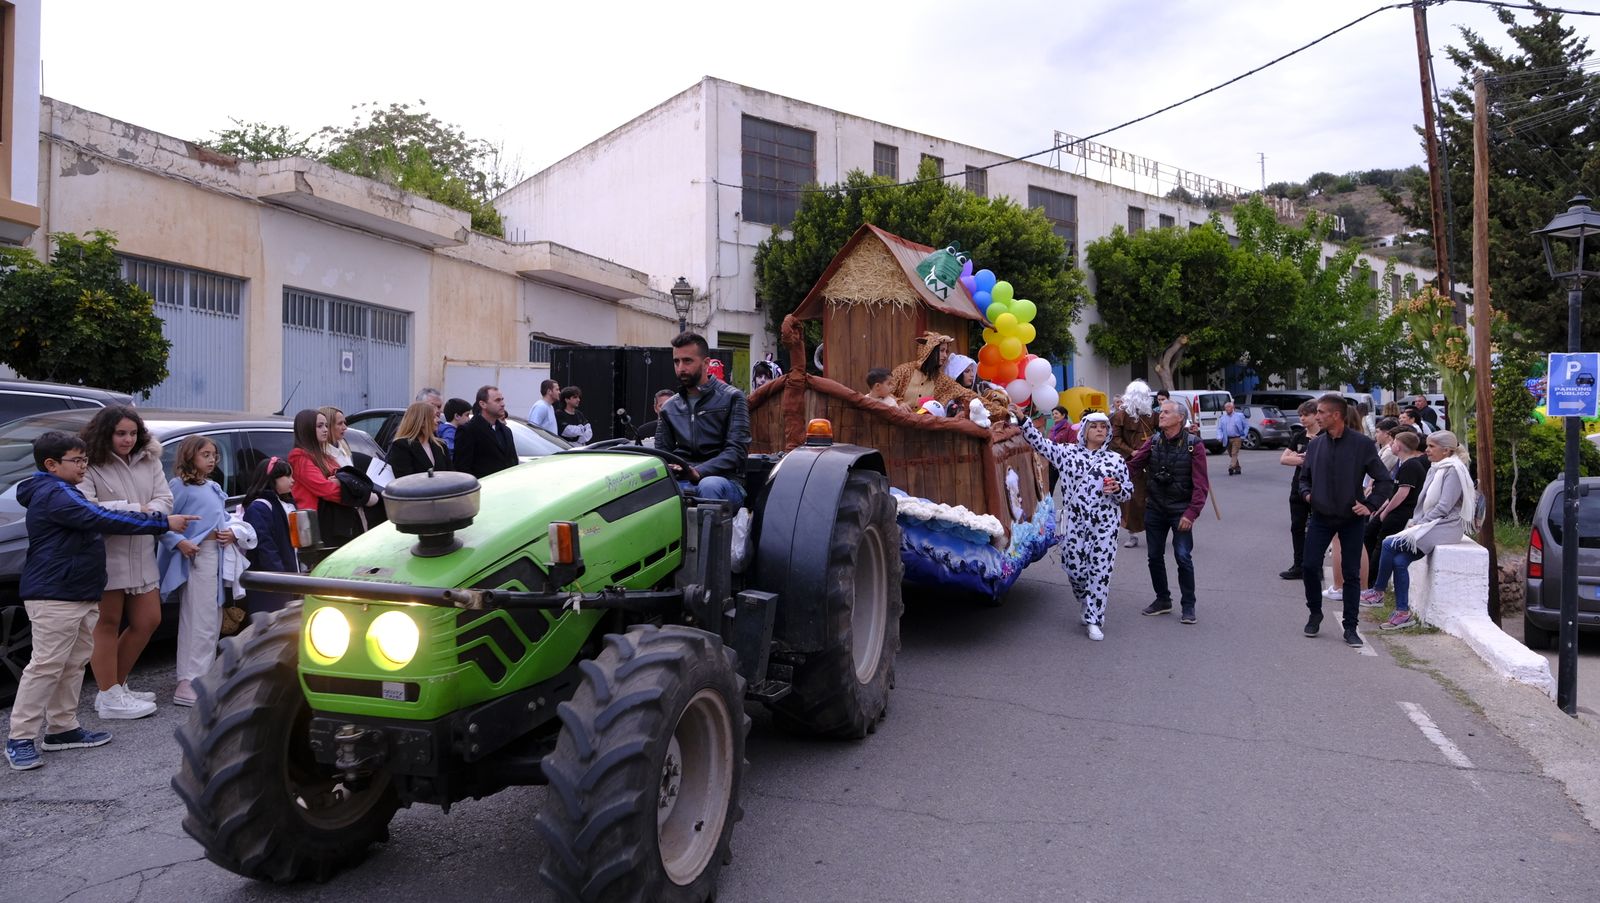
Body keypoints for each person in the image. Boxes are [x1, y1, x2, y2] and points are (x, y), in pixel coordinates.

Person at [6, 432, 195, 770]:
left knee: (73, 662)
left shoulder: (63, 489)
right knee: (46, 665)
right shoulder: (55, 494)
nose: (84, 466)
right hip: (55, 594)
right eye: (76, 460)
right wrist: (161, 522)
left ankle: (62, 728)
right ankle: (19, 738)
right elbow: (101, 517)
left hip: (77, 591)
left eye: (84, 459)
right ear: (51, 464)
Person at [78, 406, 171, 719]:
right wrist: (138, 509)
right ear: (106, 432)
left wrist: (140, 512)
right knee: (106, 623)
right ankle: (109, 695)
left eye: (132, 433)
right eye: (120, 433)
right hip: (106, 554)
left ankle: (114, 687)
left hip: (142, 552)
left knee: (149, 620)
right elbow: (89, 508)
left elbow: (165, 500)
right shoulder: (89, 462)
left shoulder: (149, 458)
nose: (128, 439)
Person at [1018, 410, 1131, 640]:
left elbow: (1128, 491)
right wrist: (1022, 420)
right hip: (1074, 522)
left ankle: (1094, 619)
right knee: (1074, 568)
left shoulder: (1116, 460)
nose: (1100, 430)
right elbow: (1039, 444)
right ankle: (1084, 598)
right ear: (1085, 431)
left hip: (1105, 524)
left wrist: (1118, 488)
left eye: (1104, 427)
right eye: (1095, 426)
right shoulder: (1067, 453)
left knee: (1100, 571)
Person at [1297, 393, 1393, 647]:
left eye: (1321, 412)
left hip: (1351, 519)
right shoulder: (1316, 444)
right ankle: (1315, 613)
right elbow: (1304, 478)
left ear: (1336, 415)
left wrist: (1370, 505)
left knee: (1351, 574)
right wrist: (1307, 495)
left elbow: (1384, 480)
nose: (1316, 416)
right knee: (1309, 566)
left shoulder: (1362, 444)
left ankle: (1350, 626)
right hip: (1320, 517)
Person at [1368, 431, 1474, 630]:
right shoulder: (1438, 467)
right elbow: (1427, 503)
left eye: (1432, 447)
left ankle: (1377, 592)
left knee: (1388, 543)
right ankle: (1403, 613)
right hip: (1433, 524)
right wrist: (1418, 522)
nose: (1426, 450)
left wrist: (1420, 524)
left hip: (1446, 526)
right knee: (1400, 561)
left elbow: (1444, 507)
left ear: (1446, 451)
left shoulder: (1453, 470)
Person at [158, 436, 235, 707]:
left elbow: (224, 519)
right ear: (190, 456)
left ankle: (202, 676)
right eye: (205, 454)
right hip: (196, 557)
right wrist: (179, 542)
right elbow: (162, 523)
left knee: (211, 618)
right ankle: (188, 680)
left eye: (214, 454)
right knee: (197, 619)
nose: (212, 459)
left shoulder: (212, 486)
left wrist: (232, 533)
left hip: (216, 556)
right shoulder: (179, 486)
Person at [1128, 399, 1210, 623]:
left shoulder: (1194, 445)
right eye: (1160, 412)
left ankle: (1188, 606)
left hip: (1181, 510)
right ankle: (1163, 600)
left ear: (1180, 418)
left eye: (1166, 412)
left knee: (1183, 557)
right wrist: (1111, 474)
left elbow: (1201, 485)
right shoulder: (1154, 441)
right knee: (1154, 557)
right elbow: (1134, 466)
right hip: (1155, 508)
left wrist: (1191, 514)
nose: (1161, 415)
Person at [656, 332, 750, 505]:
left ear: (706, 363)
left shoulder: (732, 398)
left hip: (726, 480)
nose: (681, 368)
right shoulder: (669, 408)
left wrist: (698, 472)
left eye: (687, 361)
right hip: (682, 478)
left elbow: (736, 452)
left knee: (709, 485)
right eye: (676, 361)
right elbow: (661, 455)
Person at [288, 408, 376, 553]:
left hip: (336, 520)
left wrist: (340, 482)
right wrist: (358, 497)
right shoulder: (299, 456)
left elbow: (345, 476)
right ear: (306, 429)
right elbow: (326, 489)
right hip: (316, 524)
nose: (325, 430)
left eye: (326, 425)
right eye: (319, 426)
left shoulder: (324, 455)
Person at [1362, 430, 1426, 600]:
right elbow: (1394, 492)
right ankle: (1367, 580)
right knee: (1369, 535)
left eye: (1394, 442)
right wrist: (1381, 508)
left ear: (1400, 446)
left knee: (1381, 545)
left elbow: (1402, 493)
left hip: (1400, 513)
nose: (1391, 444)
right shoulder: (1404, 464)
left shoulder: (1411, 465)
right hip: (1393, 510)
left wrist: (1386, 511)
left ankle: (1373, 586)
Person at [239, 456, 298, 619]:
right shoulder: (259, 507)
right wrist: (279, 576)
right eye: (288, 476)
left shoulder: (287, 504)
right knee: (270, 623)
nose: (293, 480)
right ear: (272, 479)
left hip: (288, 578)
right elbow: (265, 546)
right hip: (269, 582)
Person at [1111, 380, 1156, 549]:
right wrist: (1132, 452)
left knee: (1153, 497)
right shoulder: (1120, 415)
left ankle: (1156, 532)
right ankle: (1133, 533)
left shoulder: (1152, 415)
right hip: (1132, 462)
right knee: (1132, 499)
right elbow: (1115, 439)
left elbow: (1167, 430)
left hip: (1152, 461)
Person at [1278, 400, 1320, 579]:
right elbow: (1283, 459)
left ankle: (1315, 566)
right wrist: (1304, 459)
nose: (1302, 418)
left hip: (1318, 487)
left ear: (1316, 415)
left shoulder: (1323, 436)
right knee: (1297, 527)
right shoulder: (1299, 436)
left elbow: (1321, 461)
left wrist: (1301, 458)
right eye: (1300, 415)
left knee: (1317, 528)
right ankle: (1298, 565)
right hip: (1298, 487)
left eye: (1306, 415)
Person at [453, 385, 518, 478]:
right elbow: (462, 468)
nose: (503, 404)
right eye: (497, 400)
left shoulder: (506, 431)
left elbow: (513, 462)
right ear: (483, 404)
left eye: (502, 399)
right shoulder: (468, 430)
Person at [389, 401, 455, 477]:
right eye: (434, 417)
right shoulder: (402, 446)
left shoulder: (441, 445)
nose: (438, 420)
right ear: (421, 421)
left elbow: (450, 474)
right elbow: (404, 478)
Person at [1218, 401, 1249, 476]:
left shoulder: (1239, 416)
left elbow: (1246, 426)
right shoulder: (1222, 418)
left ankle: (1231, 467)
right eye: (1226, 407)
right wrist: (1219, 436)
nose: (1227, 409)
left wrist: (1243, 436)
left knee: (1234, 453)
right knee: (1231, 454)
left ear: (1233, 408)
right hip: (1227, 439)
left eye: (1229, 407)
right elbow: (1219, 428)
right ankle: (1237, 468)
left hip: (1237, 438)